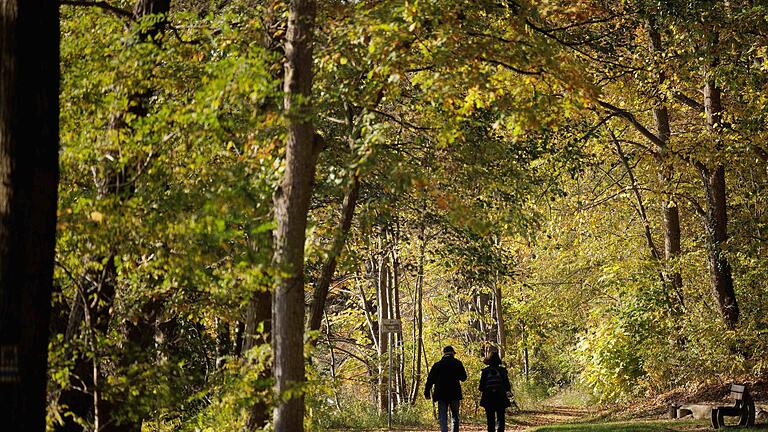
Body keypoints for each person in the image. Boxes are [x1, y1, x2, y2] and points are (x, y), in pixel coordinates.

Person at [424, 345, 468, 432]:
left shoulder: (437, 365)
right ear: (452, 353)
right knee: (455, 416)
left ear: (444, 354)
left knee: (443, 417)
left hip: (441, 394)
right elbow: (464, 378)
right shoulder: (457, 363)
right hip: (454, 393)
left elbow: (430, 379)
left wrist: (427, 392)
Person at [479, 350, 512, 432]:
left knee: (490, 419)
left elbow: (481, 387)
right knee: (501, 417)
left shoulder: (485, 371)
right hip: (501, 397)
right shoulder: (502, 370)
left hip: (488, 397)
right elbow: (507, 386)